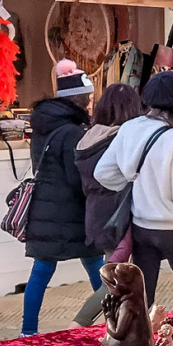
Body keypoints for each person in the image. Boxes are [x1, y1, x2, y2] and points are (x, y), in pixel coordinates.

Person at [94, 71, 173, 309]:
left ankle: (142, 342)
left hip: (140, 227)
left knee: (142, 299)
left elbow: (102, 172)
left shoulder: (129, 128)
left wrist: (131, 178)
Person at [20, 59, 104, 336]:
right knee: (97, 268)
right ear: (78, 100)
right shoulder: (71, 132)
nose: (91, 104)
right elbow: (75, 176)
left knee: (41, 271)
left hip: (44, 209)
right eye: (89, 99)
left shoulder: (43, 126)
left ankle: (28, 332)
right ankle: (112, 322)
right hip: (71, 211)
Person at [69, 83, 144, 329]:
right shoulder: (120, 138)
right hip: (119, 216)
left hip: (96, 214)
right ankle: (78, 323)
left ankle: (123, 326)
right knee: (116, 282)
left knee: (114, 274)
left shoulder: (87, 138)